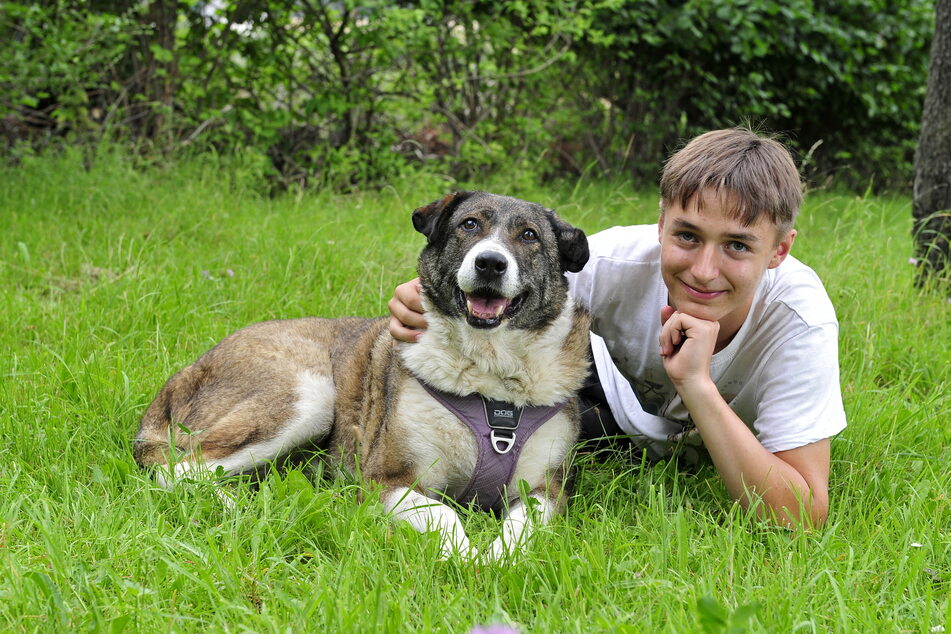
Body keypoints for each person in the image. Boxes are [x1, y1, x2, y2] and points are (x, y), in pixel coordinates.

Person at [388, 128, 846, 527]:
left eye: (738, 246)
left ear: (779, 251)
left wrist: (696, 385)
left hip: (706, 433)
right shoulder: (613, 263)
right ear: (661, 224)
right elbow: (500, 275)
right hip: (608, 413)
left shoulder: (800, 321)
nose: (705, 270)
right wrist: (417, 295)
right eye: (687, 236)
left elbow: (800, 515)